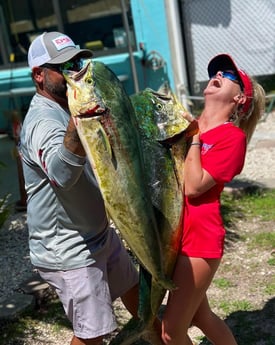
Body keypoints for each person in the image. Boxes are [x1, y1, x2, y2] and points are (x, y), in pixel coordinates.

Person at [19, 31, 140, 345]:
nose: (74, 69)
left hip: (97, 233)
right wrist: (78, 123)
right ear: (39, 75)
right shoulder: (43, 121)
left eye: (76, 61)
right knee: (92, 334)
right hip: (69, 247)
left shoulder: (70, 104)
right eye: (62, 66)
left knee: (137, 293)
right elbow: (61, 174)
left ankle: (158, 335)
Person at [161, 54, 266, 345]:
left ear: (239, 99)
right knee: (199, 316)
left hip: (199, 238)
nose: (218, 73)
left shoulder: (232, 138)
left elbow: (194, 186)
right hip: (175, 232)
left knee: (170, 333)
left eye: (230, 75)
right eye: (217, 71)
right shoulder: (187, 123)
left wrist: (193, 137)